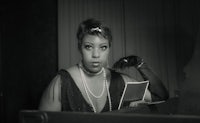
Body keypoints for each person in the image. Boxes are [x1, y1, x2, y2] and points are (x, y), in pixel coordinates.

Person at [39, 18, 169, 113]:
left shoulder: (122, 81)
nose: (96, 55)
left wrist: (140, 64)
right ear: (80, 48)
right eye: (89, 47)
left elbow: (161, 97)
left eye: (103, 47)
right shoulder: (61, 84)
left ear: (109, 49)